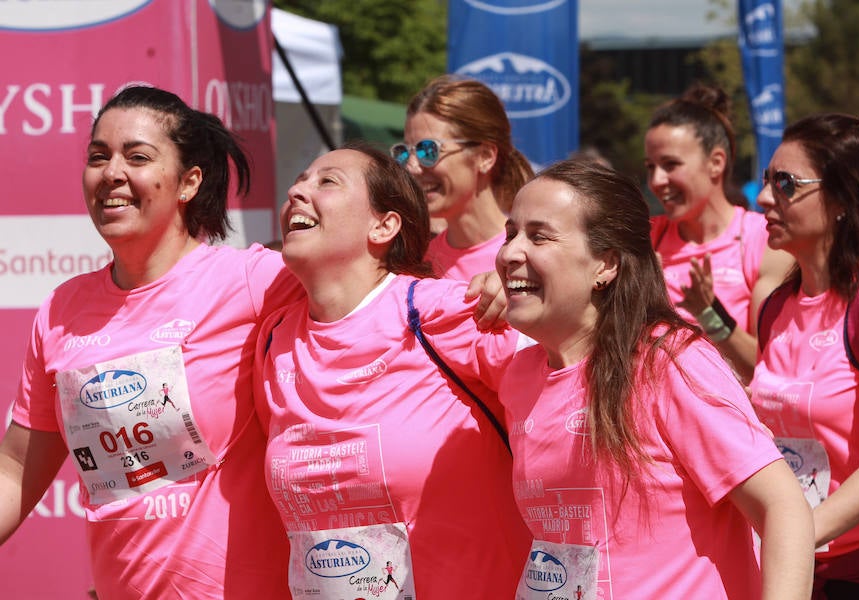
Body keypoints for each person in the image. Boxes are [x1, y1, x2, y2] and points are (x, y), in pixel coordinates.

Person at [0, 86, 298, 598]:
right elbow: (16, 468)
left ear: (188, 183)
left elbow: (371, 284)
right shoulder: (62, 310)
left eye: (137, 157)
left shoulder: (252, 281)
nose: (111, 172)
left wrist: (489, 273)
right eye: (98, 156)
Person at [496, 159, 814, 599]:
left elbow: (782, 507)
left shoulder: (667, 362)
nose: (510, 252)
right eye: (511, 232)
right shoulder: (520, 377)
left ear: (605, 265)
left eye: (539, 236)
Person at [254, 142, 531, 599]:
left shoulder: (450, 312)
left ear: (383, 225)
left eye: (326, 181)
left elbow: (575, 395)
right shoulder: (274, 339)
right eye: (300, 181)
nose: (297, 192)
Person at [749, 113, 859, 598]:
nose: (764, 198)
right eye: (767, 180)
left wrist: (796, 535)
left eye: (786, 184)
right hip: (800, 564)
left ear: (840, 199)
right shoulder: (776, 306)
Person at [644, 82, 794, 382]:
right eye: (650, 167)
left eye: (670, 165)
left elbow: (768, 372)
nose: (657, 180)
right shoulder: (645, 241)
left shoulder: (764, 241)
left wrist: (710, 314)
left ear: (715, 163)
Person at [393, 74, 534, 280]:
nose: (412, 167)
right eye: (404, 152)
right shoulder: (417, 266)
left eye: (428, 150)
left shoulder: (527, 258)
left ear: (485, 156)